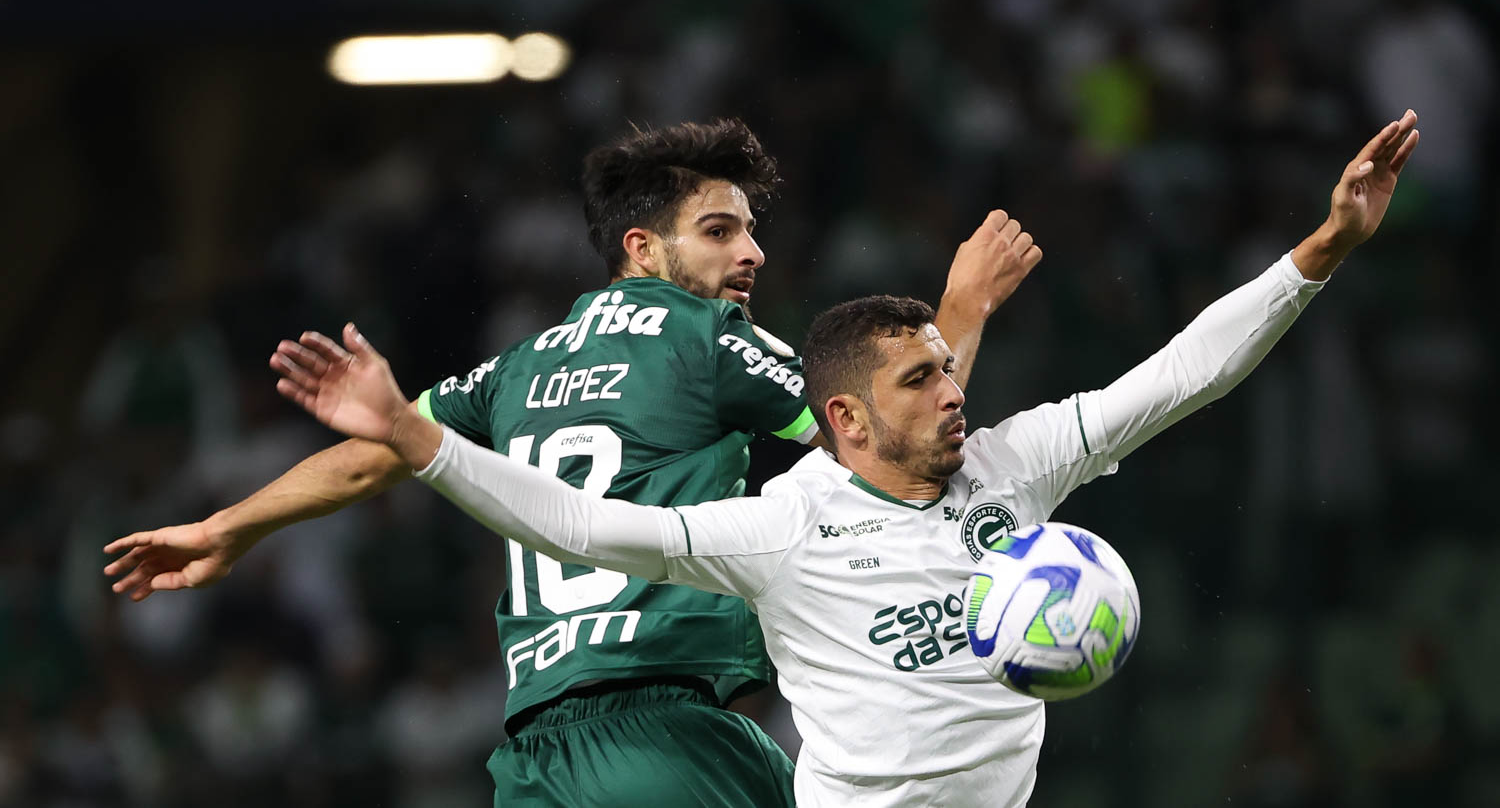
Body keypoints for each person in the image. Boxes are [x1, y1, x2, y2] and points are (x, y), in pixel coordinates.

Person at [244, 111, 1418, 806]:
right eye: (924, 377)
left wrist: (1322, 245)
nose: (957, 389)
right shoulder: (785, 521)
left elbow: (1182, 373)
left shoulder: (1013, 469)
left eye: (950, 370)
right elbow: (588, 527)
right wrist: (422, 442)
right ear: (843, 420)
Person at [103, 118, 1040, 806]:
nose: (752, 253)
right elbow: (888, 435)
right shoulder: (706, 338)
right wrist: (963, 309)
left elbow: (371, 457)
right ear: (643, 246)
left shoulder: (516, 365)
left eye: (752, 230)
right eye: (720, 230)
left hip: (532, 758)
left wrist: (229, 526)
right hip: (666, 739)